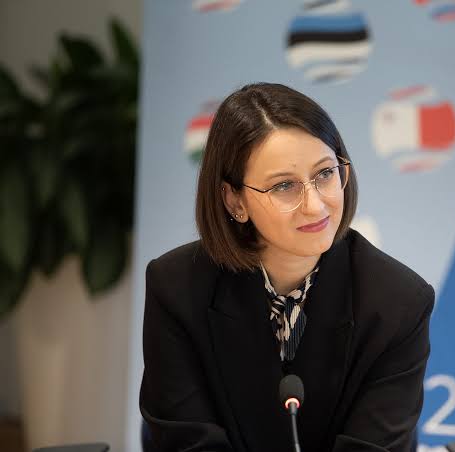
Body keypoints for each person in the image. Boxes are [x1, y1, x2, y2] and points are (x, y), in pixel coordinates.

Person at [140, 82, 435, 452]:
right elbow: (187, 440)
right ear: (234, 201)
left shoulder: (399, 302)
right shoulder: (176, 287)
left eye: (325, 174)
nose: (315, 205)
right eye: (283, 186)